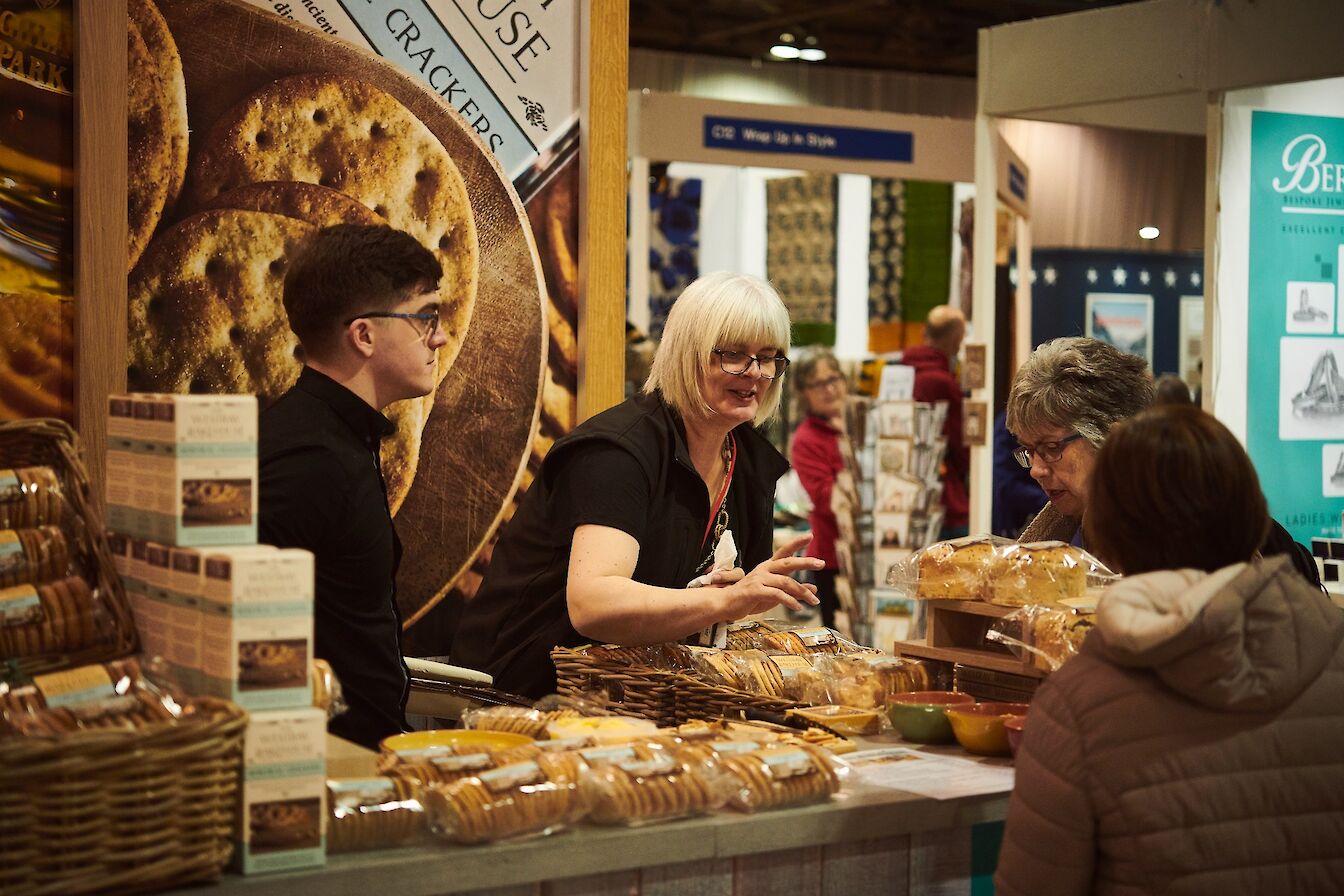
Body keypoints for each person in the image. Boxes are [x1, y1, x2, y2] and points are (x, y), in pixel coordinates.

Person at [995, 405, 1344, 895]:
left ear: (1111, 539)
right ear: (1250, 512)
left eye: (1051, 447)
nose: (1036, 466)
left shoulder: (1077, 706)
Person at [452, 272, 822, 697]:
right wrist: (725, 601)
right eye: (733, 354)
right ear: (687, 353)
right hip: (523, 695)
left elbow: (726, 603)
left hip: (636, 699)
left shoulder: (750, 462)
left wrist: (752, 592)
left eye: (769, 357)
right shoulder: (618, 452)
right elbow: (593, 605)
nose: (754, 373)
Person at [259, 224, 446, 749]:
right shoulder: (312, 462)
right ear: (363, 335)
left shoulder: (333, 437)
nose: (440, 336)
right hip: (330, 769)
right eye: (425, 316)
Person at [1007, 337, 1319, 586]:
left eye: (1051, 447)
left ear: (1114, 440)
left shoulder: (1192, 541)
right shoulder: (1054, 531)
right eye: (1029, 451)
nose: (1036, 469)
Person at [789, 350, 850, 629]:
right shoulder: (806, 439)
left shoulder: (863, 424)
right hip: (835, 557)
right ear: (804, 393)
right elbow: (826, 499)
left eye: (833, 379)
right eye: (818, 384)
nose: (829, 389)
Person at [902, 305, 969, 539]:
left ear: (924, 333)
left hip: (903, 490)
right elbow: (960, 445)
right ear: (956, 339)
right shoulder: (943, 382)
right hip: (944, 496)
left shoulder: (900, 371)